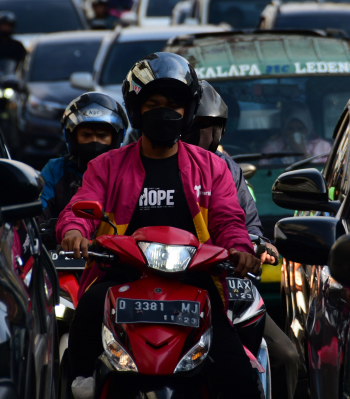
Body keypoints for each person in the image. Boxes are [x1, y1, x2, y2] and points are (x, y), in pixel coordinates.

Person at [58, 52, 263, 399]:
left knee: (239, 377)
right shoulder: (105, 166)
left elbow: (229, 219)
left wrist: (240, 249)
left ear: (189, 113)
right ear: (137, 111)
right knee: (85, 317)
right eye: (153, 104)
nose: (164, 113)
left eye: (174, 105)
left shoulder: (212, 168)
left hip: (196, 280)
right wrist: (74, 231)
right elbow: (79, 208)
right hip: (120, 278)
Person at [182, 82, 305, 399]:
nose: (200, 134)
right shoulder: (145, 164)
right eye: (194, 125)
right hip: (167, 286)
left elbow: (246, 226)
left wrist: (253, 248)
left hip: (225, 286)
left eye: (206, 127)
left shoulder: (226, 169)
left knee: (286, 357)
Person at [39, 93, 128, 220]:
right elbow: (37, 214)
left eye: (102, 136)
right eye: (86, 135)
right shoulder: (56, 170)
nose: (94, 141)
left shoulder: (127, 171)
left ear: (115, 138)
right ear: (72, 137)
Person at [261, 102, 332, 165]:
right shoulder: (272, 147)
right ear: (284, 129)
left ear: (308, 128)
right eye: (290, 129)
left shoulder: (323, 147)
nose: (295, 133)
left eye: (300, 129)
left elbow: (325, 174)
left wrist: (302, 152)